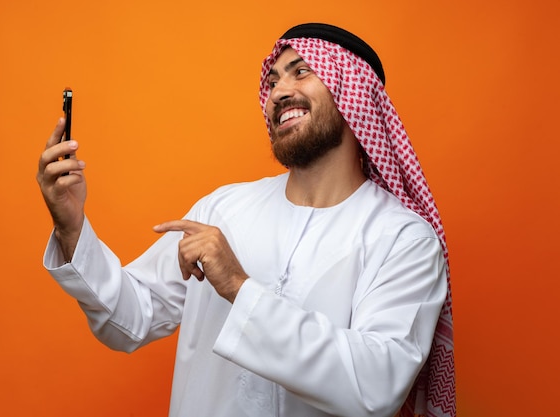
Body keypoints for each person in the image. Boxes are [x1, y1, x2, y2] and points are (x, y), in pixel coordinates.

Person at [37, 23, 455, 417]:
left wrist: (238, 287)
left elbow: (375, 386)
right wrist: (72, 229)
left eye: (301, 72)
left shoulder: (404, 239)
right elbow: (128, 319)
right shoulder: (223, 210)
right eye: (272, 82)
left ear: (353, 92)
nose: (278, 93)